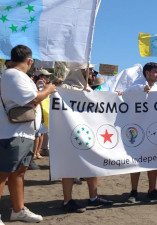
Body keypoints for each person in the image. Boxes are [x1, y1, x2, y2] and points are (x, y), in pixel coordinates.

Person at [0, 45, 55, 223]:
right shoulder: (13, 75)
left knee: (19, 172)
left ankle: (18, 209)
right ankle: (17, 209)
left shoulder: (15, 75)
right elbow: (32, 98)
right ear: (29, 61)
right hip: (12, 133)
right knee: (3, 173)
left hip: (22, 133)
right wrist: (48, 90)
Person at [60, 63, 113, 213]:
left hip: (88, 135)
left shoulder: (88, 88)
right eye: (89, 68)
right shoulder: (66, 87)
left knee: (91, 166)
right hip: (71, 135)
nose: (92, 71)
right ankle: (67, 201)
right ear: (81, 70)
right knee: (69, 168)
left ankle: (93, 197)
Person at [124, 62, 157, 203]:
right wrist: (141, 90)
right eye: (155, 71)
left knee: (153, 162)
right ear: (147, 73)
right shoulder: (135, 88)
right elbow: (124, 96)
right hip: (137, 131)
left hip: (154, 131)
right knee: (136, 161)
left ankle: (151, 190)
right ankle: (134, 191)